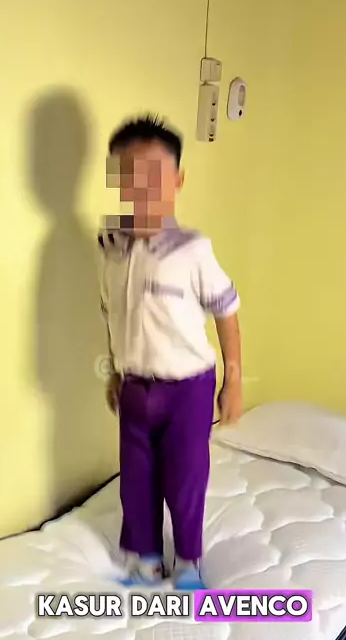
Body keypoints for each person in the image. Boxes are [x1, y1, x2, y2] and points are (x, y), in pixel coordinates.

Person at [97, 114, 242, 589]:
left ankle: (188, 561)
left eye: (155, 177)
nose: (143, 190)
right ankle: (145, 559)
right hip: (134, 387)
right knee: (136, 478)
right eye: (131, 177)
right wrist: (114, 372)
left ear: (177, 181)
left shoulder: (192, 249)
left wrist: (233, 382)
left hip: (187, 389)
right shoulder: (111, 247)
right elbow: (112, 313)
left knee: (185, 477)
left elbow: (226, 311)